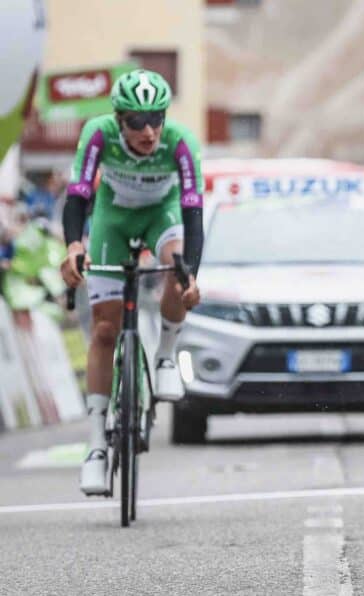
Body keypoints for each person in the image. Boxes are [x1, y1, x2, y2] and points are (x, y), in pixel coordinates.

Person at [60, 69, 204, 495]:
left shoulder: (181, 142)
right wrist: (72, 247)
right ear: (119, 120)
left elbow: (194, 213)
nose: (149, 131)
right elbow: (78, 197)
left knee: (177, 269)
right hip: (113, 221)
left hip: (163, 215)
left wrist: (191, 273)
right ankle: (96, 448)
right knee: (104, 329)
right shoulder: (98, 134)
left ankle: (164, 355)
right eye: (138, 122)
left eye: (156, 118)